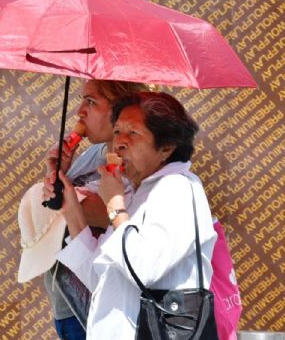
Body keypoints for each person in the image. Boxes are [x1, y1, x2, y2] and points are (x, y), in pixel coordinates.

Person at [55, 91, 217, 340]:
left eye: (133, 133)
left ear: (166, 147)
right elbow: (102, 280)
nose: (119, 142)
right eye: (117, 131)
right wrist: (72, 211)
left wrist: (115, 206)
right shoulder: (135, 193)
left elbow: (143, 269)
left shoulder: (178, 188)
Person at [17, 79, 148, 340]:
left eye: (90, 102)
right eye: (81, 100)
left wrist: (67, 199)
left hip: (101, 311)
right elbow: (58, 206)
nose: (80, 111)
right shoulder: (95, 153)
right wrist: (57, 170)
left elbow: (113, 215)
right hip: (67, 303)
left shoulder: (134, 164)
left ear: (120, 110)